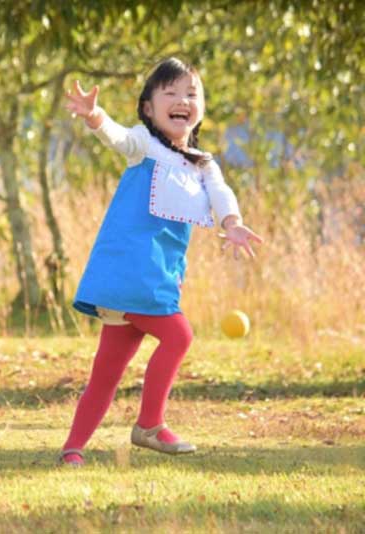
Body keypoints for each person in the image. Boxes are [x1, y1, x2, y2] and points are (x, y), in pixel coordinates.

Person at [59, 58, 263, 466]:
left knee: (106, 373)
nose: (182, 100)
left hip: (157, 278)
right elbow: (116, 137)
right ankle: (150, 425)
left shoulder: (202, 163)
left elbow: (221, 193)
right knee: (179, 336)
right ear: (148, 109)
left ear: (201, 108)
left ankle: (72, 449)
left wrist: (234, 223)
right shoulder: (143, 146)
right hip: (130, 273)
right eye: (169, 93)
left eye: (191, 93)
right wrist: (95, 116)